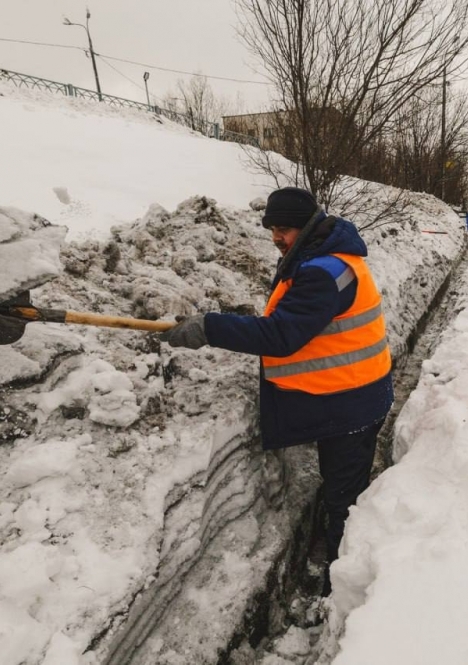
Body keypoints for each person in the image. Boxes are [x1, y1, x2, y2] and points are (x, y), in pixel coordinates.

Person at [159, 187, 394, 594]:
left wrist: (211, 328)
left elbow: (282, 334)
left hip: (351, 405)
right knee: (341, 490)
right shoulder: (326, 259)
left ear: (306, 227)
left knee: (344, 500)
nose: (275, 237)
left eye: (283, 229)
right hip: (352, 394)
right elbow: (295, 319)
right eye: (272, 229)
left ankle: (341, 587)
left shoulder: (323, 273)